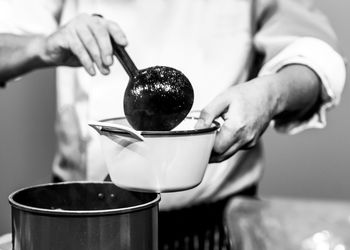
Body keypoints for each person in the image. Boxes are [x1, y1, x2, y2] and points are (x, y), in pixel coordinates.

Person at [0, 0, 346, 249]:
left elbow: (314, 55)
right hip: (85, 216)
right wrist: (41, 47)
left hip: (210, 225)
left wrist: (271, 93)